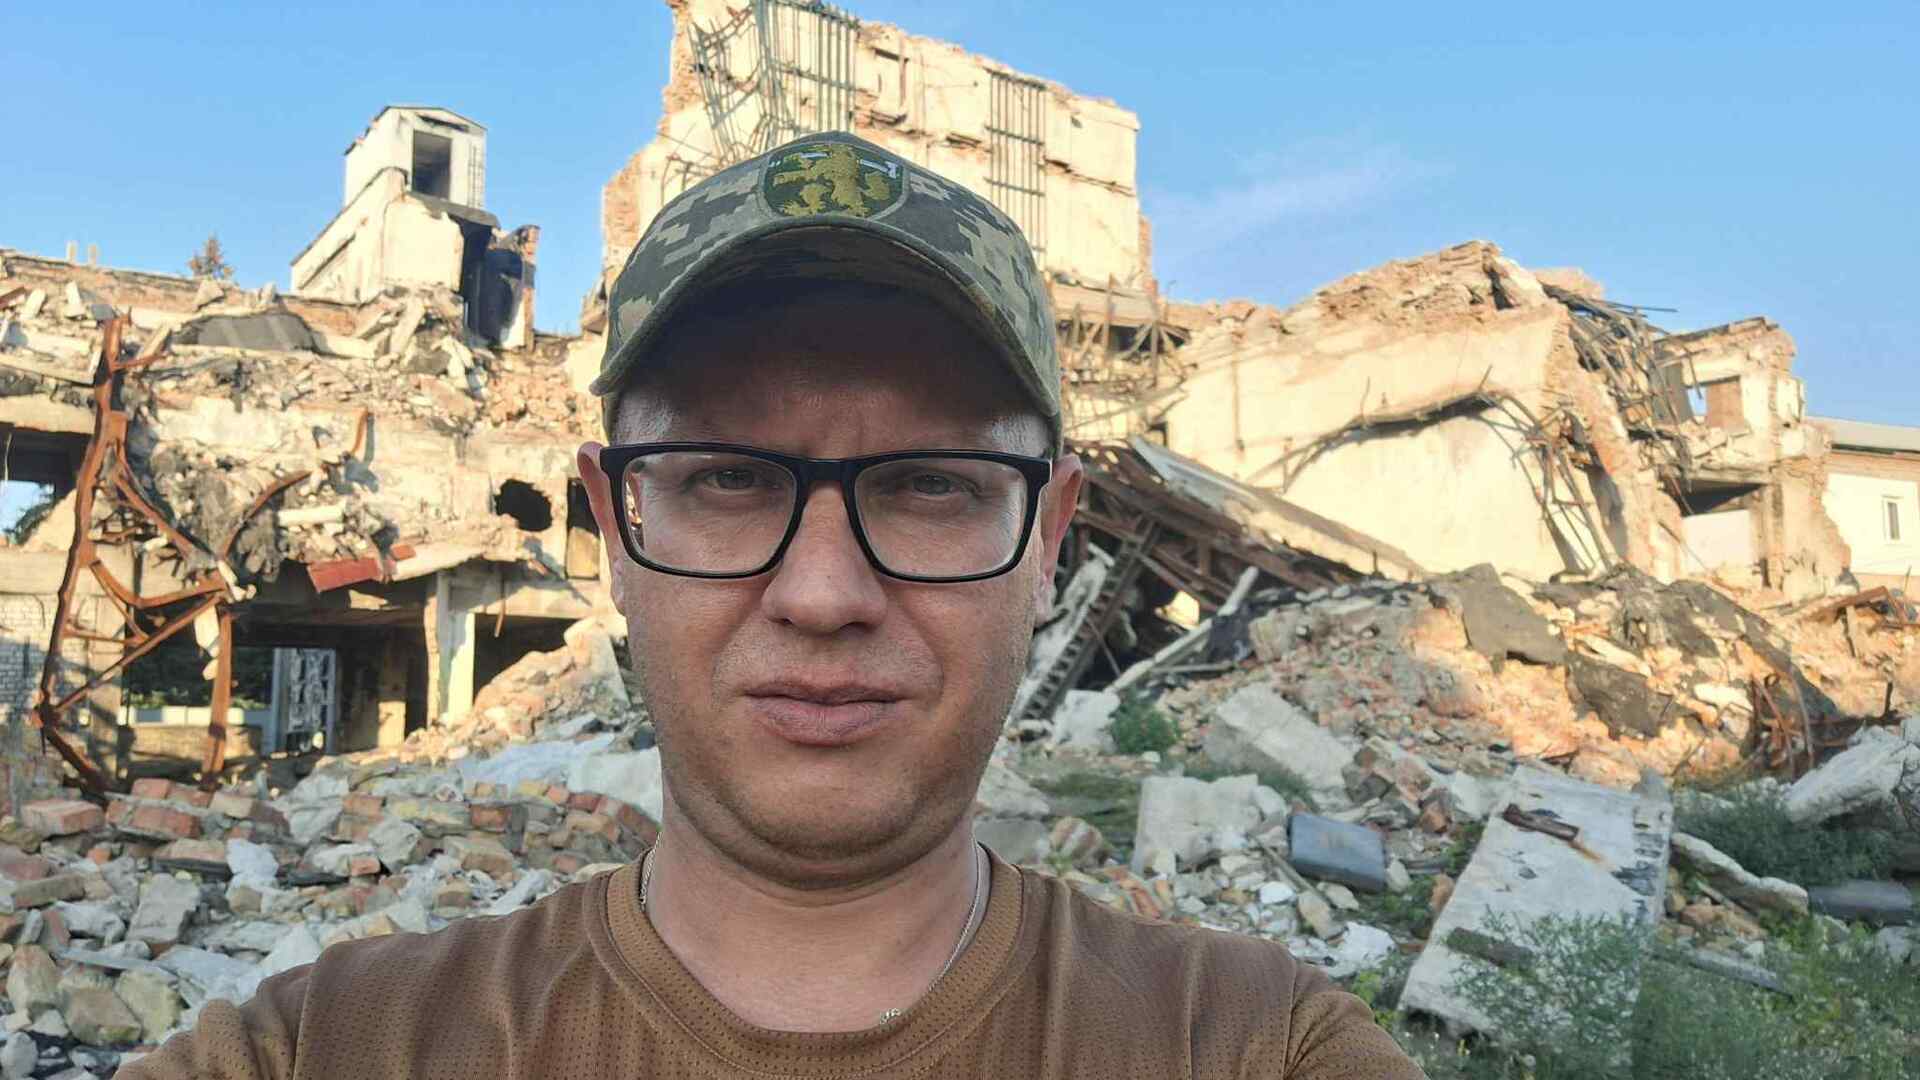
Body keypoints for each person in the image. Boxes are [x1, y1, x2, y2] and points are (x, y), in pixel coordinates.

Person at [119, 131, 1425, 1079]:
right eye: (730, 480)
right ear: (615, 526)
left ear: (1047, 539)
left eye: (930, 484)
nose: (822, 593)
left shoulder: (1251, 1047)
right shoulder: (325, 1049)